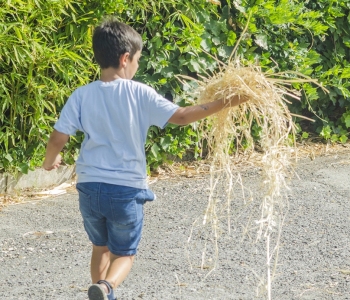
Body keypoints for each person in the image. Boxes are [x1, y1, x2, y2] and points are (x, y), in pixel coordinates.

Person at [42, 16, 247, 300]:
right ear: (126, 58)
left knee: (100, 247)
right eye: (137, 59)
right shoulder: (139, 92)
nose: (137, 65)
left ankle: (99, 292)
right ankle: (105, 287)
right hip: (126, 189)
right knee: (124, 254)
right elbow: (183, 116)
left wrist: (49, 161)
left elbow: (58, 138)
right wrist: (228, 100)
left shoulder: (82, 95)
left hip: (89, 187)